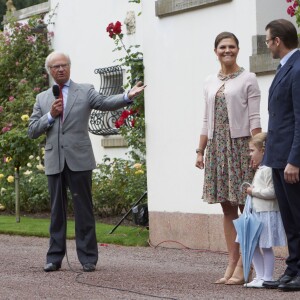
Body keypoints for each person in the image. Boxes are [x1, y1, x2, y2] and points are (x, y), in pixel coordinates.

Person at [28, 51, 145, 272]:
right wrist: (50, 116)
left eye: (64, 65)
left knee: (84, 210)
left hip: (79, 159)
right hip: (55, 160)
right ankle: (54, 257)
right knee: (56, 212)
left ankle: (88, 258)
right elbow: (32, 130)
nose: (61, 69)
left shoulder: (85, 90)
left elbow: (105, 102)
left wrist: (127, 96)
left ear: (70, 67)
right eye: (56, 67)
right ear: (50, 72)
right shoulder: (42, 98)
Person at [195, 32, 261, 285]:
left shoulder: (249, 79)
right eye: (222, 47)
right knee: (227, 207)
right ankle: (231, 261)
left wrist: (257, 150)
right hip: (217, 148)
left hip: (241, 147)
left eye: (232, 46)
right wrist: (200, 150)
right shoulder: (210, 81)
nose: (227, 50)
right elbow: (205, 119)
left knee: (247, 208)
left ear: (238, 49)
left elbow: (255, 119)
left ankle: (246, 264)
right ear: (215, 51)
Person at [262, 19, 300, 292]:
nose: (266, 45)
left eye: (267, 40)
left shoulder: (298, 69)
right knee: (289, 220)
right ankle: (293, 269)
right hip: (278, 158)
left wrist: (295, 159)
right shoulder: (285, 67)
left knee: (298, 217)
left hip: (291, 161)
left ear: (277, 41)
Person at [241, 133, 286, 288]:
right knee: (252, 245)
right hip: (257, 213)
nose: (250, 154)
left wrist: (253, 191)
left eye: (252, 150)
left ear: (263, 151)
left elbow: (273, 192)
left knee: (266, 246)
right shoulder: (260, 169)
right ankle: (259, 276)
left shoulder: (268, 170)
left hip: (267, 213)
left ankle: (267, 277)